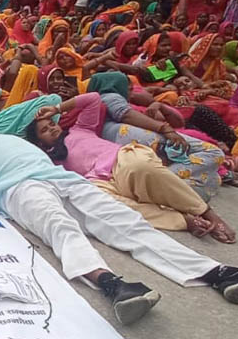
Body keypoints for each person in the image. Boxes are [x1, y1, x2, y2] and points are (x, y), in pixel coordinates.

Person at [0, 74, 238, 325]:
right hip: (16, 188)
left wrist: (53, 106)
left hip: (63, 178)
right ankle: (112, 285)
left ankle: (215, 273)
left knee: (126, 223)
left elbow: (23, 104)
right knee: (60, 227)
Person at [26, 91, 234, 241]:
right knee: (108, 206)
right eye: (45, 130)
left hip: (120, 161)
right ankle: (184, 221)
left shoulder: (79, 130)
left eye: (52, 123)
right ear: (40, 143)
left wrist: (57, 108)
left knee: (142, 167)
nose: (52, 129)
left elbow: (94, 99)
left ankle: (206, 213)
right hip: (99, 182)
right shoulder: (51, 160)